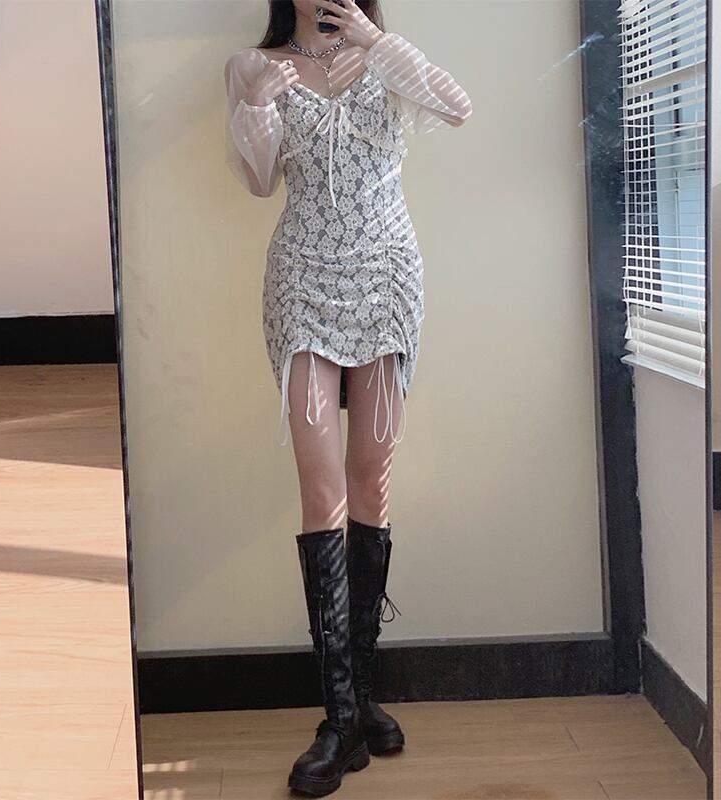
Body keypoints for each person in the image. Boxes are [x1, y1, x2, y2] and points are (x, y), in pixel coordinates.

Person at [223, 0, 472, 794]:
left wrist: (378, 42)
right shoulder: (253, 65)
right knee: (321, 485)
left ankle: (362, 696)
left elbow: (457, 108)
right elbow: (258, 181)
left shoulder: (384, 54)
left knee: (371, 478)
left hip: (388, 276)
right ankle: (338, 719)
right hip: (302, 280)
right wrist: (257, 103)